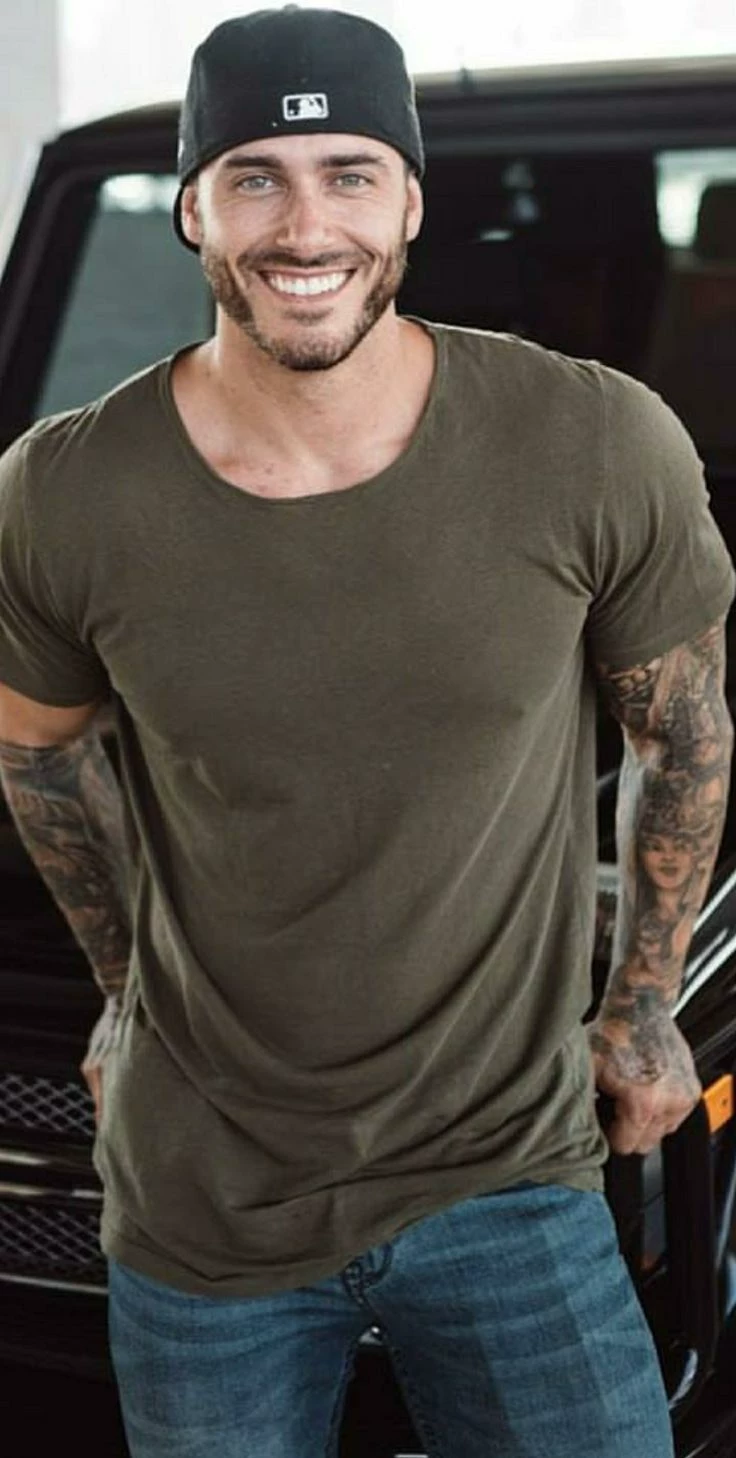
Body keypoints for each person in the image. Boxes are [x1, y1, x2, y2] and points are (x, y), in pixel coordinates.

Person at [0, 7, 733, 1456]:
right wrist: (128, 983)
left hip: (511, 1176)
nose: (304, 225)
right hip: (201, 1214)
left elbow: (686, 737)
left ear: (409, 200)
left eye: (348, 172)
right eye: (255, 177)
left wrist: (644, 1004)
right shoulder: (64, 493)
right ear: (192, 207)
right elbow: (40, 749)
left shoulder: (591, 442)